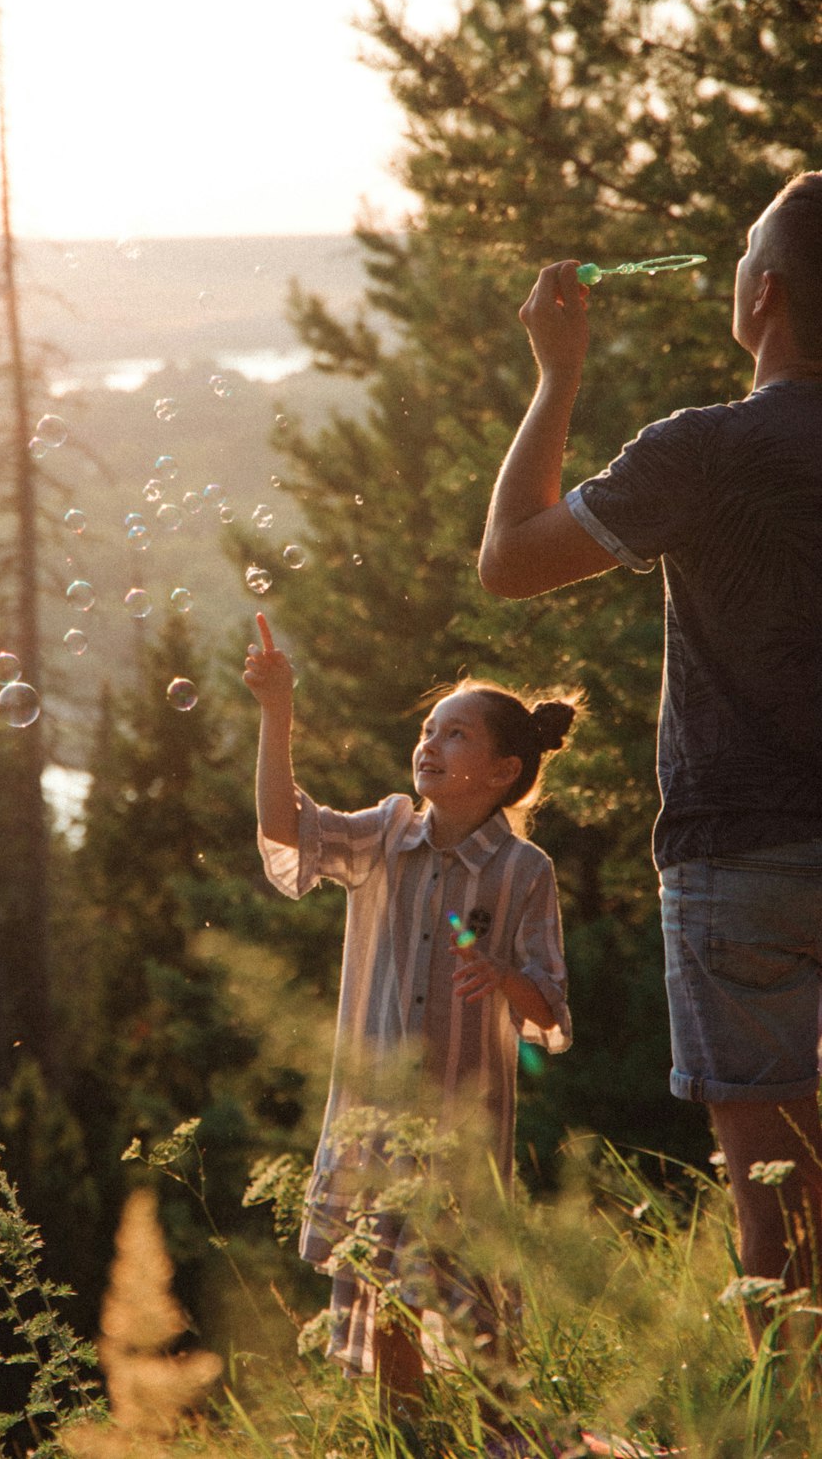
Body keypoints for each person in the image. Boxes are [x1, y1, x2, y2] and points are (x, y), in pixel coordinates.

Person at [478, 171, 822, 1348]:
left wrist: (557, 373)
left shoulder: (703, 450)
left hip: (739, 867)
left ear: (763, 293)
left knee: (775, 1231)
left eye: (740, 253)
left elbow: (512, 560)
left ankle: (789, 1416)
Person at [242, 609, 574, 1426]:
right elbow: (285, 826)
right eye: (429, 728)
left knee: (474, 1299)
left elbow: (551, 1009)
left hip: (466, 1126)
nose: (429, 742)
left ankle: (503, 1434)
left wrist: (503, 977)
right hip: (377, 1119)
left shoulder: (524, 871)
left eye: (454, 734)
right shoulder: (387, 832)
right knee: (388, 1289)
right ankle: (411, 1435)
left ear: (500, 771)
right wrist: (277, 712)